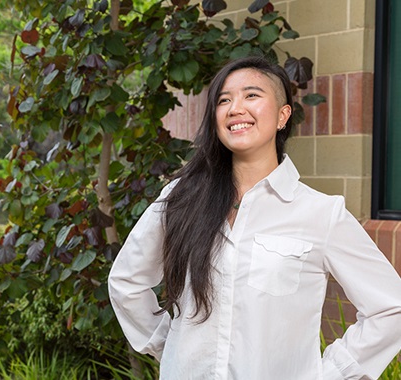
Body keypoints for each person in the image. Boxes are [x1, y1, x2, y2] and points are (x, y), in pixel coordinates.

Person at [108, 56, 401, 379]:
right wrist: (172, 346)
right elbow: (127, 282)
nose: (235, 108)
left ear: (282, 116)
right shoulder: (181, 198)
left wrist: (326, 374)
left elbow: (391, 307)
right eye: (223, 100)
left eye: (251, 95)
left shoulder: (320, 213)